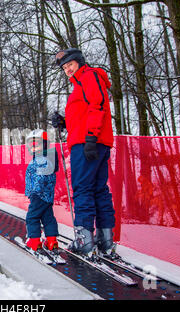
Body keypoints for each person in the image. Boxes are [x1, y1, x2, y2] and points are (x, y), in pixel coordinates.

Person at [51, 48, 116, 256]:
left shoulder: (90, 76)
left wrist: (90, 137)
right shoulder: (79, 85)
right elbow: (83, 115)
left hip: (88, 142)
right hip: (91, 140)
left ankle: (84, 239)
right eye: (64, 68)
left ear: (79, 62)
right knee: (97, 189)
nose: (67, 70)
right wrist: (64, 121)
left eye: (70, 64)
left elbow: (97, 106)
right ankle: (104, 238)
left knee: (82, 189)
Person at [24, 129, 63, 263]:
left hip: (39, 195)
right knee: (48, 218)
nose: (33, 147)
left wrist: (35, 191)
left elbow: (41, 177)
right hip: (47, 196)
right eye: (31, 144)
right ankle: (52, 241)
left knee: (32, 217)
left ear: (45, 144)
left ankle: (34, 241)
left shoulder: (42, 159)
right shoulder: (47, 158)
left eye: (37, 144)